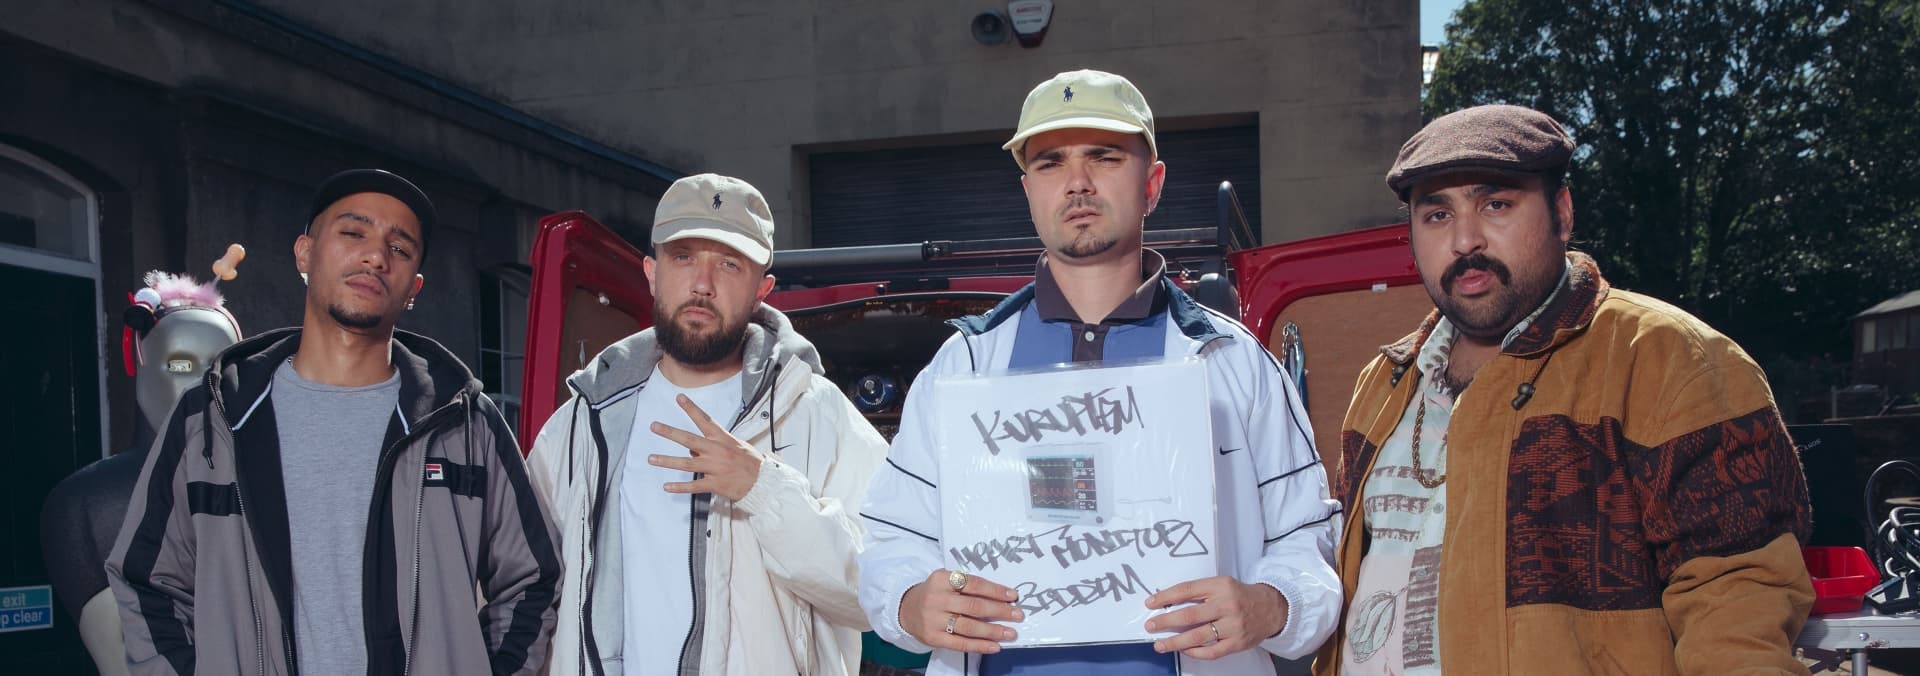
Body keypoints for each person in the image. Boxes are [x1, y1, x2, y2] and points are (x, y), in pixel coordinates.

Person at [858, 69, 1342, 676]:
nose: (1077, 182)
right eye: (1050, 163)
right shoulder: (964, 366)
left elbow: (1308, 543)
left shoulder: (1235, 363)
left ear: (1152, 183)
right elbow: (890, 542)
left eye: (1105, 157)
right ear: (1028, 190)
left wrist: (1272, 605)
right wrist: (910, 601)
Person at [1316, 105, 1814, 675]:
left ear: (1562, 211)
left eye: (1496, 204)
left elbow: (1738, 600)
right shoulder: (1383, 382)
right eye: (1437, 214)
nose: (1464, 239)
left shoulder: (1669, 360)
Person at [106, 169, 562, 676]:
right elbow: (146, 581)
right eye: (353, 232)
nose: (376, 256)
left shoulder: (464, 423)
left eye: (399, 247)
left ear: (413, 287)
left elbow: (533, 579)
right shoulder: (213, 416)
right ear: (304, 253)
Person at [525, 173, 888, 675]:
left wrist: (763, 488)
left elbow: (880, 591)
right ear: (652, 273)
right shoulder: (583, 423)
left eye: (729, 264)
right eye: (683, 258)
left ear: (761, 290)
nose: (702, 284)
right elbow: (524, 589)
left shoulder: (818, 415)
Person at [42, 268, 244, 676]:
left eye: (218, 366)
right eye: (181, 363)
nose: (202, 385)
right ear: (139, 363)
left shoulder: (269, 493)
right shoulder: (86, 509)